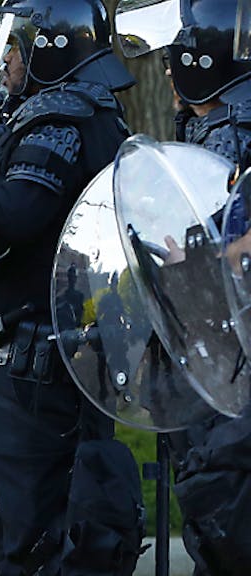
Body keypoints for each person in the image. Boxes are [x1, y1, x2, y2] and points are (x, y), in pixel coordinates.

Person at [0, 1, 145, 574]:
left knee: (32, 544)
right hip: (43, 363)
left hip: (39, 374)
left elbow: (18, 214)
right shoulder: (81, 114)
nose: (7, 58)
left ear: (50, 50)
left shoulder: (60, 117)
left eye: (16, 45)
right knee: (20, 534)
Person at [146, 1, 251, 573]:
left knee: (226, 524)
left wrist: (198, 263)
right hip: (212, 353)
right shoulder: (211, 126)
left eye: (173, 58)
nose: (167, 70)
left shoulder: (234, 132)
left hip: (231, 359)